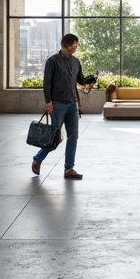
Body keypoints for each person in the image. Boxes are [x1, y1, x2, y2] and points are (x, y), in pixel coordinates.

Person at [32, 33, 95, 179]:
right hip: (57, 104)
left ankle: (69, 169)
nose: (76, 47)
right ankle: (38, 159)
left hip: (72, 105)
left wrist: (89, 81)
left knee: (73, 136)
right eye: (75, 45)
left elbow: (80, 80)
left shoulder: (76, 62)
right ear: (68, 44)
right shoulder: (52, 61)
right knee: (54, 137)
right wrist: (48, 102)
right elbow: (46, 82)